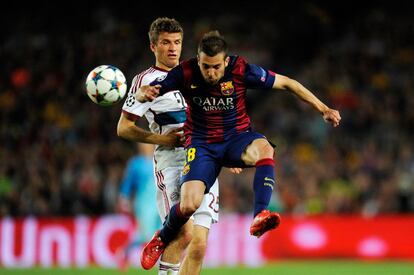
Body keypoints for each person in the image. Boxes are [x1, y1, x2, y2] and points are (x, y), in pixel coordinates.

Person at [137, 30, 341, 270]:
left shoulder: (241, 70)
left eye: (215, 67)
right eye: (205, 66)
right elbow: (152, 90)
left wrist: (323, 108)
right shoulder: (186, 72)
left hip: (236, 139)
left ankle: (260, 214)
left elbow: (288, 83)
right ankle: (161, 238)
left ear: (226, 61)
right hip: (202, 144)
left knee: (265, 148)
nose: (210, 73)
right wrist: (144, 92)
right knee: (189, 204)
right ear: (198, 60)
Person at [117, 18, 229, 275]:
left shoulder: (194, 74)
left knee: (199, 245)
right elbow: (123, 127)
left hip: (204, 160)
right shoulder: (145, 81)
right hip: (172, 163)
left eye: (177, 42)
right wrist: (163, 139)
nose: (173, 48)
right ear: (153, 46)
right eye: (166, 42)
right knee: (184, 234)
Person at [117, 143, 161, 269]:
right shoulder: (136, 163)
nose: (147, 147)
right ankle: (124, 252)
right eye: (144, 145)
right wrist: (123, 198)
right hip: (144, 203)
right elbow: (128, 182)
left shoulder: (160, 159)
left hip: (161, 201)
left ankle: (167, 262)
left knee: (163, 231)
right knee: (147, 235)